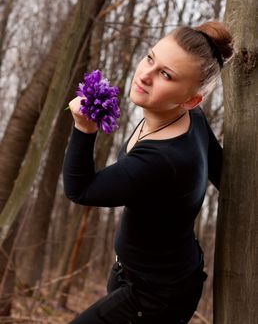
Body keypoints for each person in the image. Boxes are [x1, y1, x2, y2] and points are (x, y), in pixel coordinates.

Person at [62, 20, 234, 323]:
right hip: (144, 272)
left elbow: (80, 189)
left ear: (191, 99)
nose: (145, 75)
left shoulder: (162, 159)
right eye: (151, 58)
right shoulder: (190, 117)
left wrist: (84, 129)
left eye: (166, 75)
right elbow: (224, 175)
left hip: (157, 295)